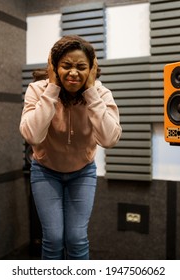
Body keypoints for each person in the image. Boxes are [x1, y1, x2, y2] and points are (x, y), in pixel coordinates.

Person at [19, 35, 122, 260]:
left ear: (92, 69)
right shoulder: (38, 90)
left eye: (81, 67)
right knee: (53, 238)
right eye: (66, 66)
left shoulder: (101, 94)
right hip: (45, 171)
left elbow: (109, 139)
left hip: (82, 173)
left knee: (76, 238)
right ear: (54, 67)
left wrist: (91, 91)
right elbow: (32, 135)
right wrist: (52, 88)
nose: (73, 72)